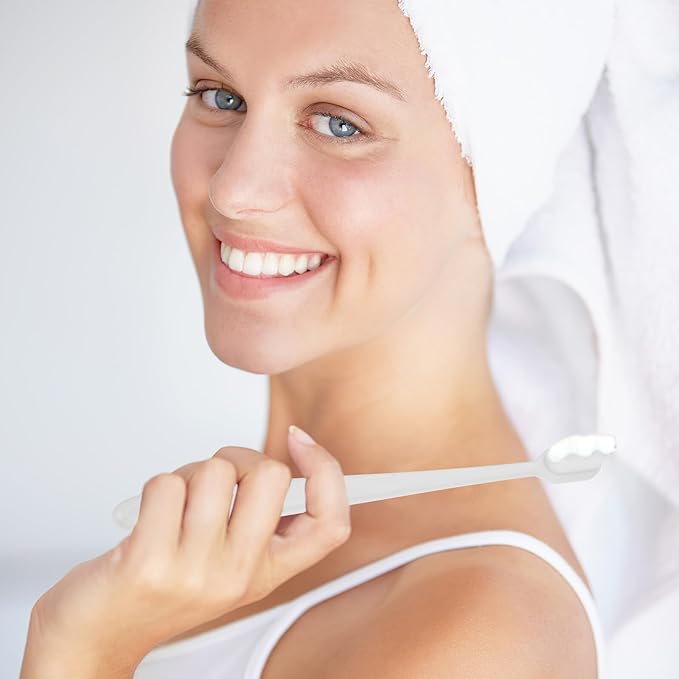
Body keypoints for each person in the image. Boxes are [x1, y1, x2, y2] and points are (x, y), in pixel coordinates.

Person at [19, 1, 604, 677]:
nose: (234, 190)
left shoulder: (481, 637)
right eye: (220, 95)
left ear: (497, 172)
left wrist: (79, 648)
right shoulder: (208, 553)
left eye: (338, 123)